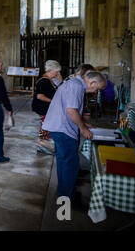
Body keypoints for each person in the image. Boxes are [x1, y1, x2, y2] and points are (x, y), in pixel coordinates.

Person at [42, 71, 106, 202]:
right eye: (97, 89)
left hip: (58, 126)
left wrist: (83, 123)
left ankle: (63, 192)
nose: (95, 92)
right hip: (62, 129)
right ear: (92, 82)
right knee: (71, 164)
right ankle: (67, 197)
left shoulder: (74, 84)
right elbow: (71, 110)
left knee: (63, 161)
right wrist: (82, 128)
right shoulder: (76, 86)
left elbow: (72, 109)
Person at [32, 60, 62, 155]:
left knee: (45, 126)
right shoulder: (44, 81)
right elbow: (39, 96)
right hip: (43, 107)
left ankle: (43, 146)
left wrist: (60, 81)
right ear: (51, 70)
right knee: (45, 126)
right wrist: (53, 101)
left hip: (46, 108)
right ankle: (42, 146)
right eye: (56, 71)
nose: (58, 73)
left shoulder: (49, 80)